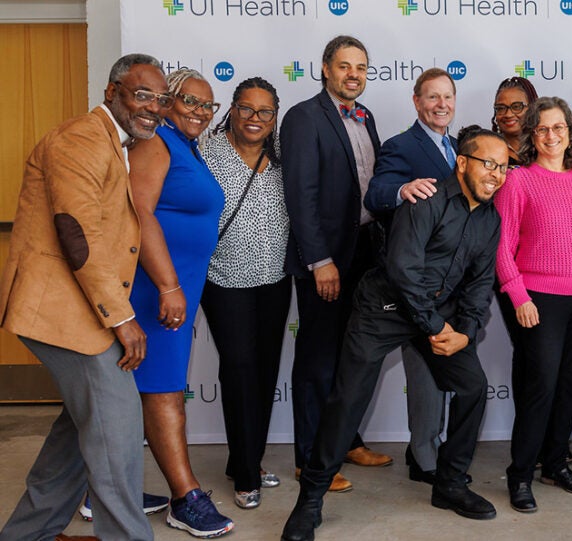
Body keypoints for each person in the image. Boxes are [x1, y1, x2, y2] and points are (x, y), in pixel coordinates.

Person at [282, 126, 507, 540]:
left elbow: (480, 283)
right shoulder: (426, 200)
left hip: (434, 313)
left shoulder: (491, 218)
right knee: (348, 399)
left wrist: (466, 332)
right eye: (488, 164)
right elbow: (404, 271)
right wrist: (437, 326)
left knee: (473, 387)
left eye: (503, 167)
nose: (496, 174)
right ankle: (310, 499)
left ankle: (450, 484)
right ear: (462, 163)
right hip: (384, 309)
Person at [0, 53, 165, 541]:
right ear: (112, 91)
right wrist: (122, 317)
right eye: (142, 94)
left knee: (79, 432)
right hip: (62, 311)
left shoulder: (115, 142)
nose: (153, 107)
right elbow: (77, 233)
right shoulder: (80, 138)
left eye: (160, 98)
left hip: (80, 309)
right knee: (116, 435)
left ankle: (25, 534)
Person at [280, 35, 392, 496]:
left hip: (365, 250)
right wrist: (319, 261)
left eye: (361, 67)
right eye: (344, 66)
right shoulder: (305, 117)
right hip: (327, 257)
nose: (353, 75)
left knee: (354, 355)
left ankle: (346, 440)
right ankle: (310, 460)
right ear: (325, 69)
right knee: (317, 359)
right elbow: (300, 196)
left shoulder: (364, 117)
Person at [124, 67, 233, 538]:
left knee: (138, 393)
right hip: (154, 289)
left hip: (175, 287)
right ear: (167, 101)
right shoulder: (156, 143)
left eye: (208, 106)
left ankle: (108, 491)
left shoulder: (187, 147)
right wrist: (168, 286)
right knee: (166, 391)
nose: (200, 112)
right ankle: (185, 497)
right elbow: (138, 211)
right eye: (190, 101)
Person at [496, 97, 572, 513]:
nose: (551, 135)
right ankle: (520, 474)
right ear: (531, 136)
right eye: (542, 129)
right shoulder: (519, 180)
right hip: (539, 300)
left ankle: (555, 463)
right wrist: (518, 295)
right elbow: (502, 247)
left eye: (558, 127)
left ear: (570, 132)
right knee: (539, 388)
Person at [363, 67, 459, 486]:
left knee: (442, 370)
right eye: (433, 97)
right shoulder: (401, 146)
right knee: (423, 372)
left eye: (447, 97)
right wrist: (402, 190)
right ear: (417, 102)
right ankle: (424, 458)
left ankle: (428, 445)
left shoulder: (459, 148)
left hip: (452, 278)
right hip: (417, 281)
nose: (442, 105)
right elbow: (375, 194)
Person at [201, 76, 291, 509]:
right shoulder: (206, 152)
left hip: (275, 279)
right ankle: (246, 473)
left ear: (275, 117)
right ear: (232, 110)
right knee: (238, 368)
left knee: (265, 370)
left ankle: (246, 461)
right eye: (247, 109)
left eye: (265, 111)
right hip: (223, 280)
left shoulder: (283, 159)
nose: (255, 118)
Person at [491, 76, 539, 166]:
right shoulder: (488, 153)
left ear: (532, 108)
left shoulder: (546, 149)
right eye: (501, 108)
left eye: (517, 107)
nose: (508, 114)